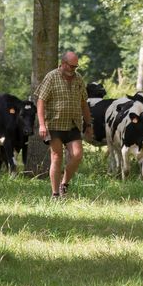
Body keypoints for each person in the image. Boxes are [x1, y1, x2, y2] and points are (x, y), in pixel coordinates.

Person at [35, 51, 94, 199]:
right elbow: (41, 101)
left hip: (73, 123)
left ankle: (64, 184)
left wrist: (88, 124)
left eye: (75, 67)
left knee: (77, 155)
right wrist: (42, 125)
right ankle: (55, 194)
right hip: (54, 124)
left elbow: (83, 103)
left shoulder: (79, 79)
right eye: (71, 66)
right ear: (63, 63)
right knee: (56, 157)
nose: (73, 69)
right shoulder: (51, 77)